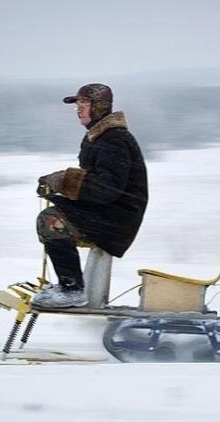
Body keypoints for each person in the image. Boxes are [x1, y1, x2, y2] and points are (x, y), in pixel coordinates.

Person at [30, 83, 148, 308]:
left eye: (84, 103)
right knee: (54, 213)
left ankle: (72, 290)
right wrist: (59, 186)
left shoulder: (114, 140)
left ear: (100, 106)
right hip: (108, 211)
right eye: (77, 104)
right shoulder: (99, 137)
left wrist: (62, 181)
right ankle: (69, 286)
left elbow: (106, 188)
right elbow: (94, 184)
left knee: (51, 220)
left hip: (117, 218)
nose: (79, 109)